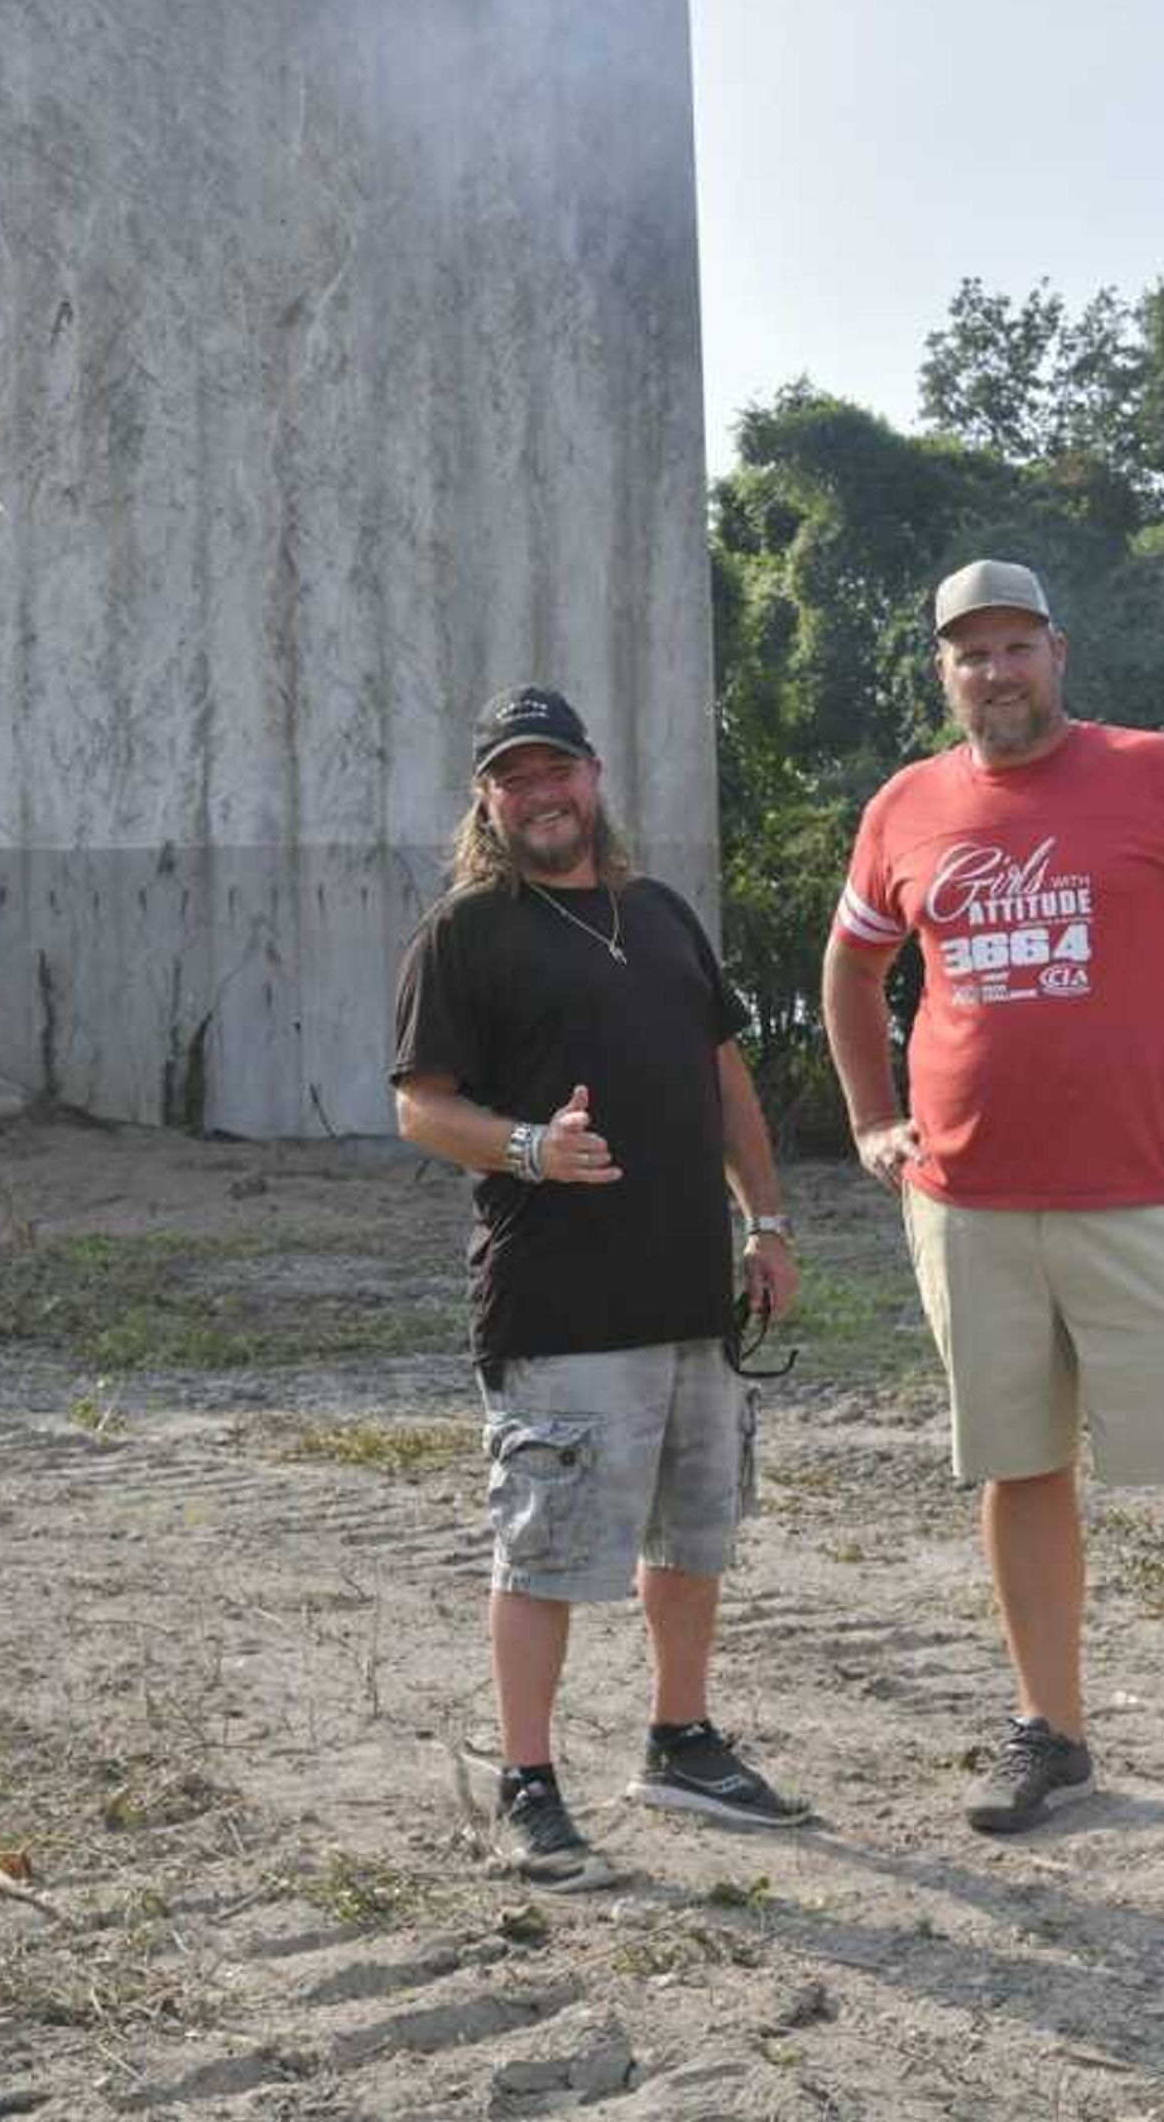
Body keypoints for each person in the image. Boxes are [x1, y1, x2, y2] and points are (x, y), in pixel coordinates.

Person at [820, 560, 1164, 1849]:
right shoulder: (905, 807)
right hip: (968, 1204)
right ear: (942, 671)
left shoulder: (1159, 773)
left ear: (1057, 655)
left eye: (1017, 646)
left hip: (1148, 1197)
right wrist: (869, 1121)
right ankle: (1053, 1735)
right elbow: (850, 974)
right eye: (971, 653)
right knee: (1020, 1471)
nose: (996, 672)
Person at [391, 683, 813, 1889]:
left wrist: (767, 1222)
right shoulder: (466, 933)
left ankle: (680, 1740)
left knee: (694, 1532)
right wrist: (530, 1148)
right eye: (514, 779)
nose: (541, 795)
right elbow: (421, 1107)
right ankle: (529, 1781)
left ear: (595, 775)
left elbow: (724, 1076)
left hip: (692, 1297)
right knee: (545, 1546)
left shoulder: (661, 913)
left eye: (555, 770)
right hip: (558, 1302)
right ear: (488, 800)